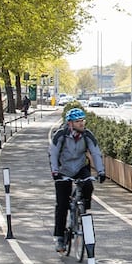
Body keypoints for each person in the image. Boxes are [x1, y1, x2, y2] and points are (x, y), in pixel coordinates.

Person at [49, 108, 106, 253]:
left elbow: (95, 152)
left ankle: (83, 209)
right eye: (78, 121)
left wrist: (101, 172)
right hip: (64, 170)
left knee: (88, 185)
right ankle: (60, 237)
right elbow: (53, 153)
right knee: (61, 205)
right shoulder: (61, 135)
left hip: (80, 167)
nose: (81, 124)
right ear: (70, 123)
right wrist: (55, 172)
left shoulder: (87, 135)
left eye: (82, 121)